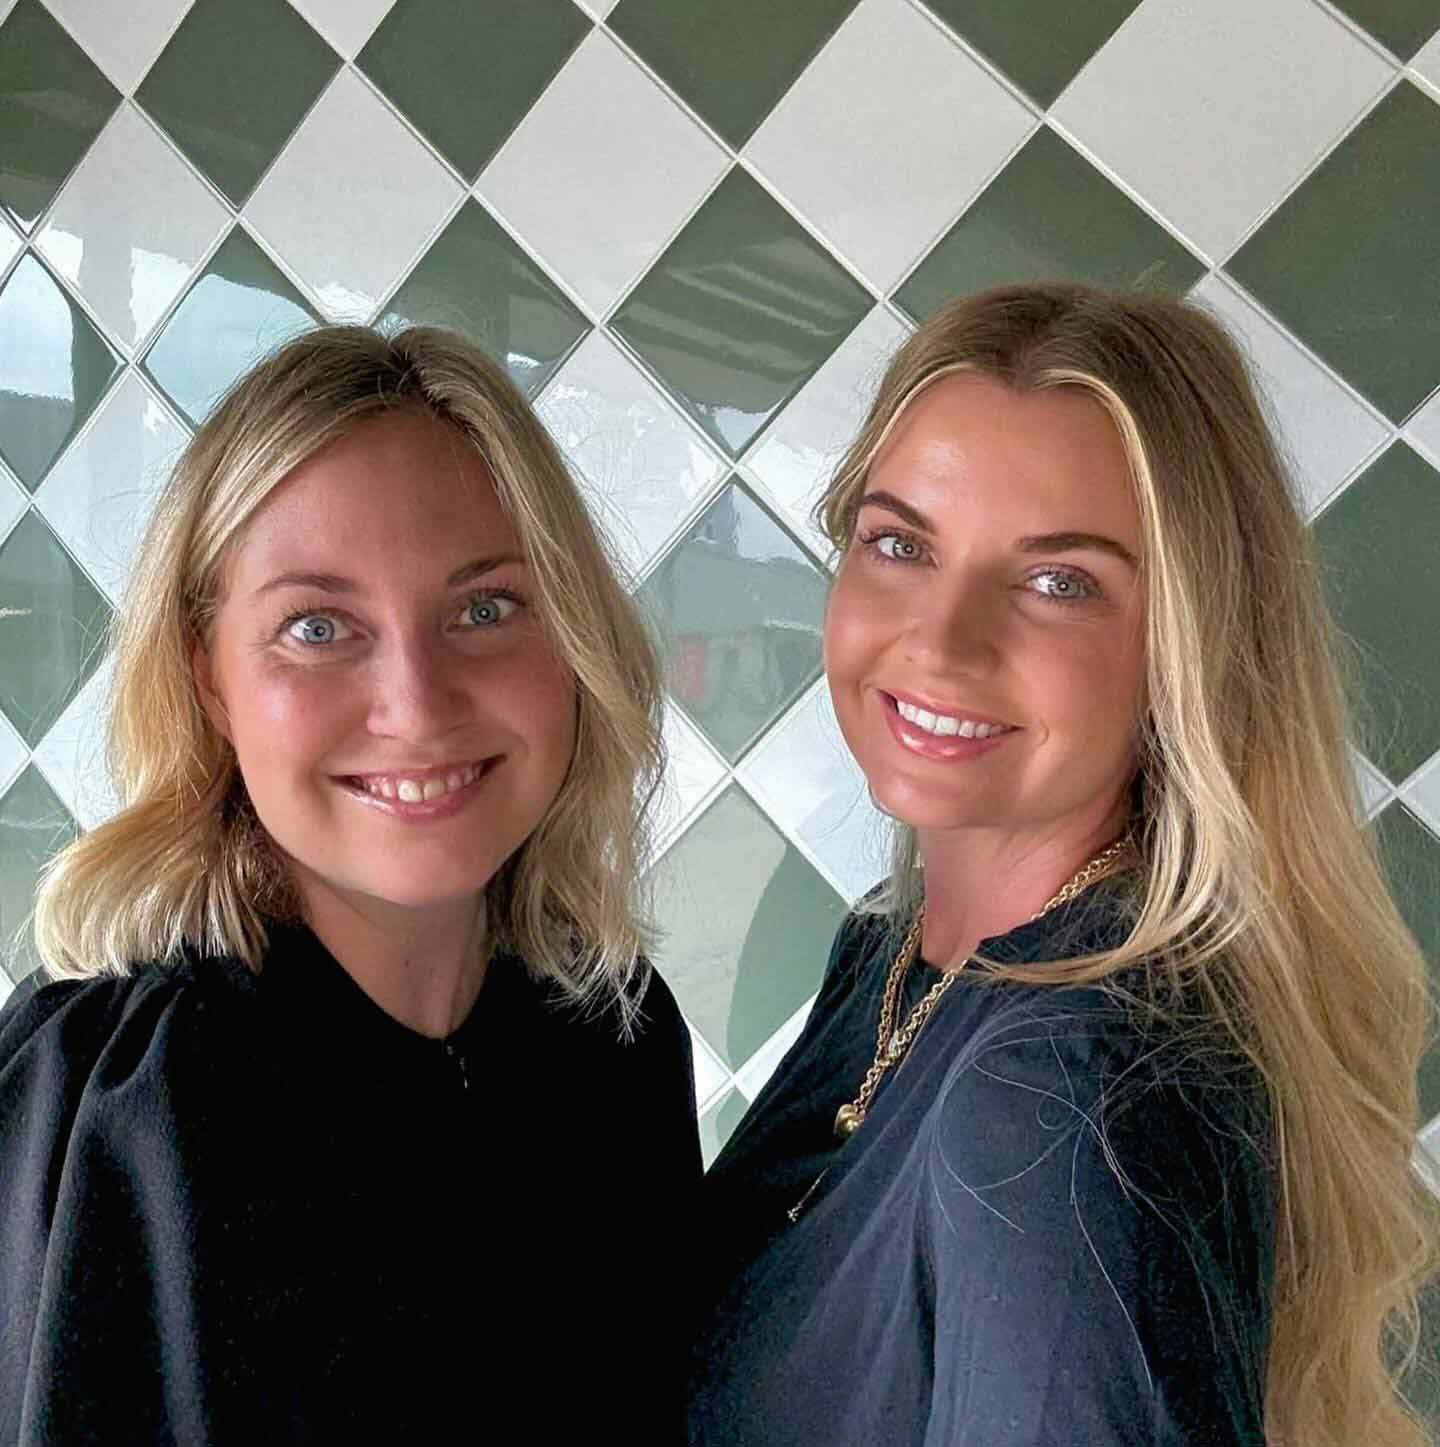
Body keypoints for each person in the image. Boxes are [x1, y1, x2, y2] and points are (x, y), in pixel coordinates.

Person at [688, 285, 1437, 1447]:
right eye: (899, 543)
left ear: (1188, 645)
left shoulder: (1056, 1099)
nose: (942, 641)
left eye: (1059, 582)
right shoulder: (894, 952)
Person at [0, 325, 701, 1444]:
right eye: (317, 628)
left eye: (485, 608)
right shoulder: (117, 1098)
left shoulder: (612, 1038)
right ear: (210, 678)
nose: (416, 705)